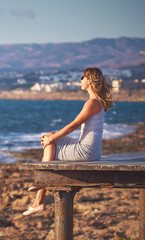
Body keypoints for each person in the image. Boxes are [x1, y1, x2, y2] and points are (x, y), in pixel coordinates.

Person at [23, 67, 114, 216]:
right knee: (50, 137)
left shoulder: (92, 103)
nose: (81, 80)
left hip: (87, 151)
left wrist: (51, 139)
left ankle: (40, 192)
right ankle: (39, 194)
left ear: (89, 81)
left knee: (50, 141)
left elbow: (73, 125)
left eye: (83, 77)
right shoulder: (97, 102)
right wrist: (51, 137)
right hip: (92, 150)